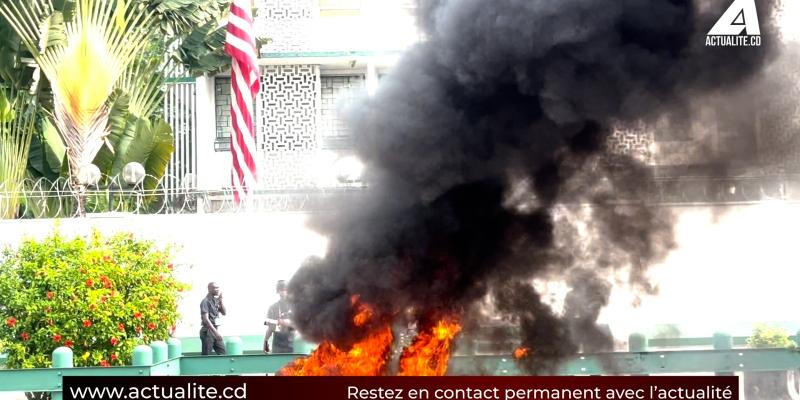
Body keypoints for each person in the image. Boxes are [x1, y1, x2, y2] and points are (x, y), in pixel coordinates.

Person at [264, 280, 295, 353]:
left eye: (285, 290)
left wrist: (287, 323)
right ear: (278, 291)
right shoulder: (273, 308)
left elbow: (302, 325)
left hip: (293, 345)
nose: (283, 292)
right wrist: (265, 342)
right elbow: (270, 328)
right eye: (280, 290)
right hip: (277, 345)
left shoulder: (296, 307)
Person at [200, 282, 226, 355]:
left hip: (214, 331)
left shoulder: (215, 301)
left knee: (222, 353)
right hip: (208, 332)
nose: (217, 289)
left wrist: (221, 301)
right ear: (209, 289)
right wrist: (216, 333)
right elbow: (206, 319)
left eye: (218, 288)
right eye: (215, 288)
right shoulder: (205, 301)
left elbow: (224, 313)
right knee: (207, 356)